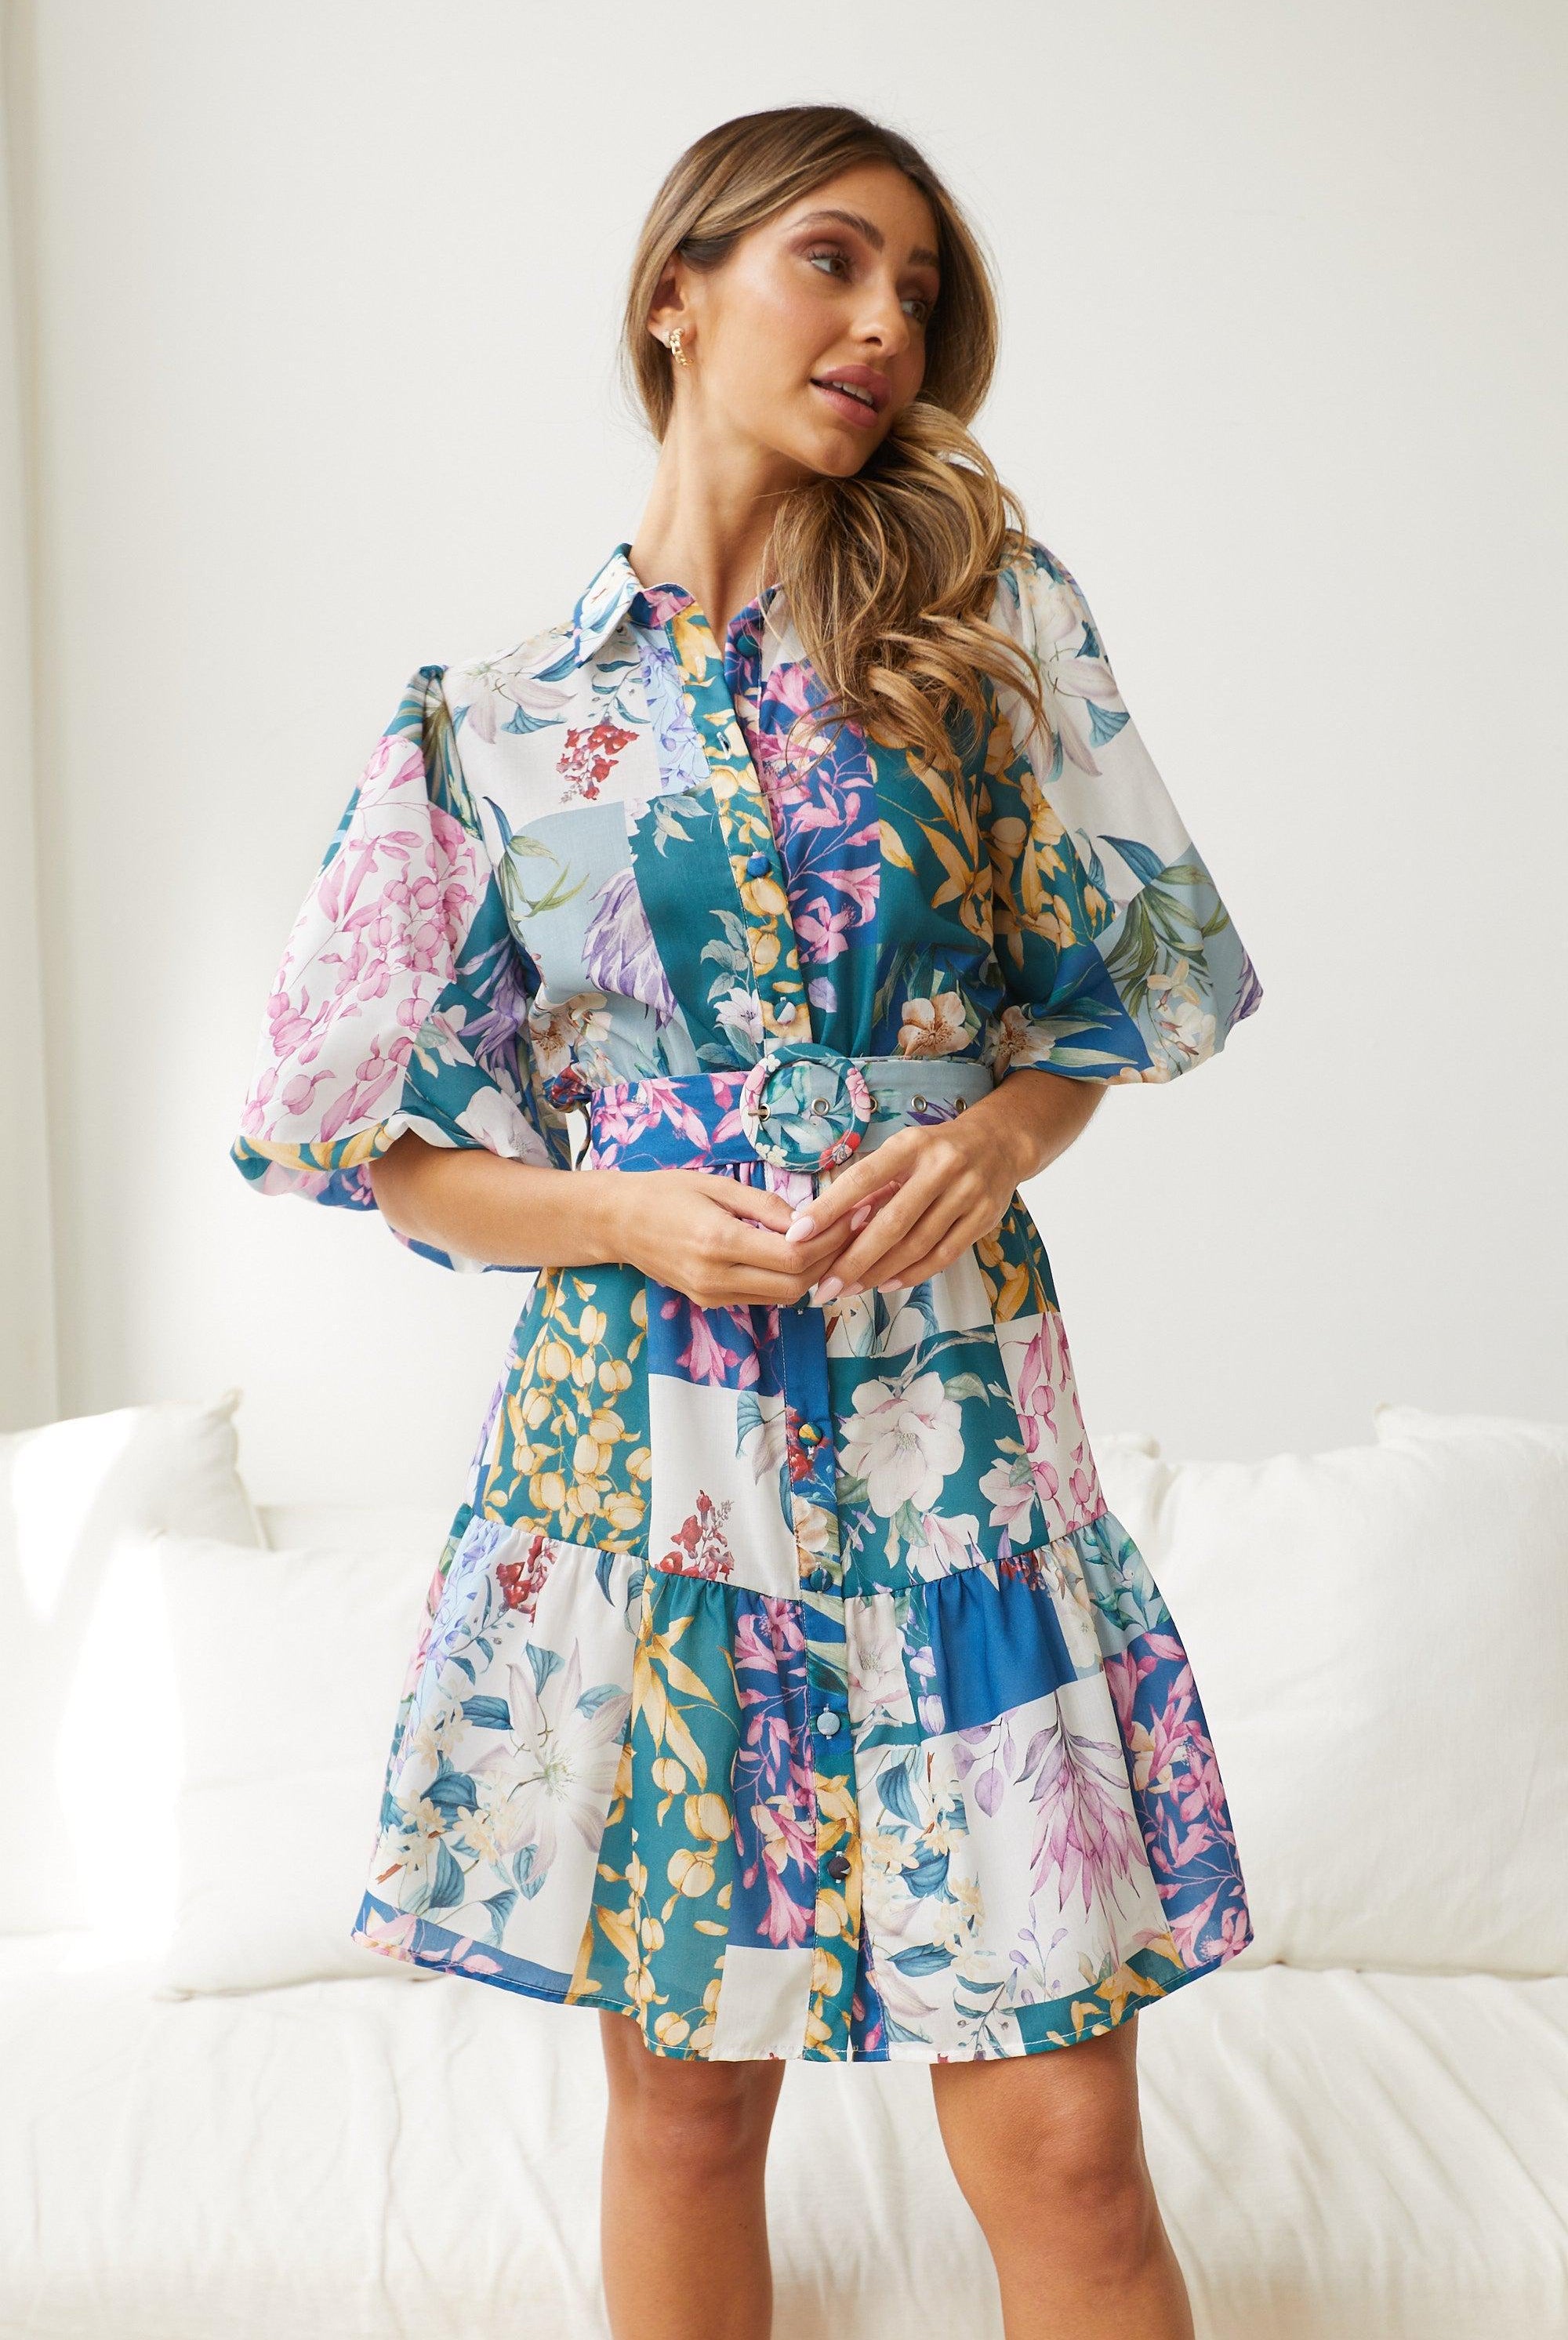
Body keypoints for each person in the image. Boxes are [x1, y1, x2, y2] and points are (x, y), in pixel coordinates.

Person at [233, 101, 1263, 2340]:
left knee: (1072, 2145)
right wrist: (612, 1210)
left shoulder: (981, 627)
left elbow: (1124, 994)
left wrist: (996, 1137)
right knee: (690, 2119)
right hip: (652, 1476)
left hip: (953, 1455)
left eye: (920, 292)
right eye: (835, 261)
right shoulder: (491, 731)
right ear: (675, 289)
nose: (887, 324)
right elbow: (370, 1143)